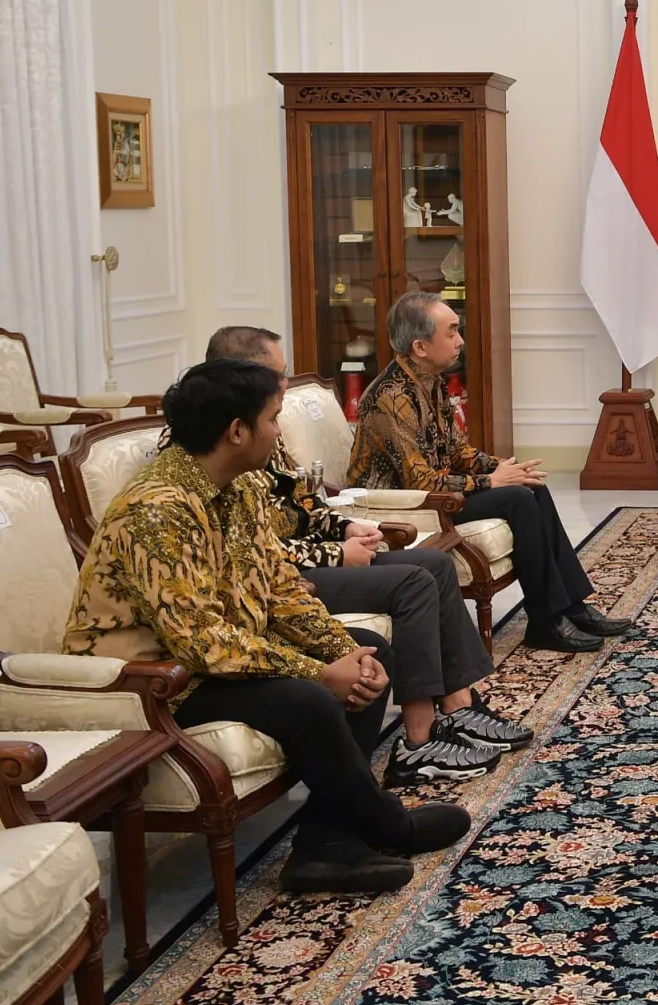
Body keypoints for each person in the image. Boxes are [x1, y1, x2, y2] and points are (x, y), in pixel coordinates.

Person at [64, 359, 470, 895]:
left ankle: (326, 846)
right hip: (153, 680)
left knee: (370, 652)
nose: (279, 432)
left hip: (212, 656)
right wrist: (319, 672)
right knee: (310, 699)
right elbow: (200, 643)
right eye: (273, 419)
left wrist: (340, 653)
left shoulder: (242, 485)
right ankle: (388, 825)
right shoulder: (157, 510)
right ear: (237, 431)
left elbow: (278, 589)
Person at [204, 326, 531, 787]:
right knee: (413, 582)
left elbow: (304, 502)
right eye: (279, 374)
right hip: (292, 573)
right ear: (242, 376)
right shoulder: (221, 443)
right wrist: (336, 553)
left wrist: (346, 528)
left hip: (308, 557)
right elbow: (257, 551)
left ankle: (458, 708)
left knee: (436, 566)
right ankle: (417, 742)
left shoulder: (262, 428)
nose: (286, 383)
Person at [349, 293, 632, 655]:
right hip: (400, 507)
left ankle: (572, 608)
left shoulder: (430, 381)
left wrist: (500, 467)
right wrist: (491, 482)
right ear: (420, 346)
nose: (460, 340)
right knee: (516, 498)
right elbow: (419, 482)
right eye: (451, 332)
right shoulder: (391, 397)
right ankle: (545, 622)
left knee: (531, 488)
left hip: (432, 494)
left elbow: (456, 451)